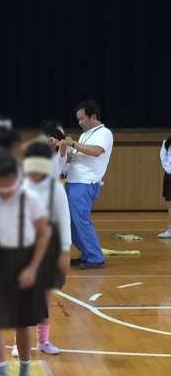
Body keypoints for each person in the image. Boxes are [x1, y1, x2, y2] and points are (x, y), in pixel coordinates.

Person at [0, 150, 49, 376]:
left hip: (24, 261)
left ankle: (25, 375)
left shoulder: (29, 198)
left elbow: (43, 234)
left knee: (23, 321)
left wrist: (33, 267)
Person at [22, 141, 71, 355]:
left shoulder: (55, 189)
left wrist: (64, 251)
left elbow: (64, 220)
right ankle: (19, 341)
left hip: (49, 246)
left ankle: (43, 340)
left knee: (44, 294)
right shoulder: (20, 186)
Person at [64, 100, 113, 269]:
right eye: (78, 119)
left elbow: (97, 151)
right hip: (73, 181)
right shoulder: (85, 135)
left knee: (81, 221)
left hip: (85, 183)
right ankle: (86, 253)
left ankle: (95, 258)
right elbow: (79, 154)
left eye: (82, 118)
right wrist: (66, 151)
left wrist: (73, 144)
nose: (80, 122)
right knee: (71, 222)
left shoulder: (105, 133)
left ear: (93, 116)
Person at [158, 136, 171, 238]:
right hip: (169, 175)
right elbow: (163, 158)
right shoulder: (166, 142)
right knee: (170, 204)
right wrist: (169, 170)